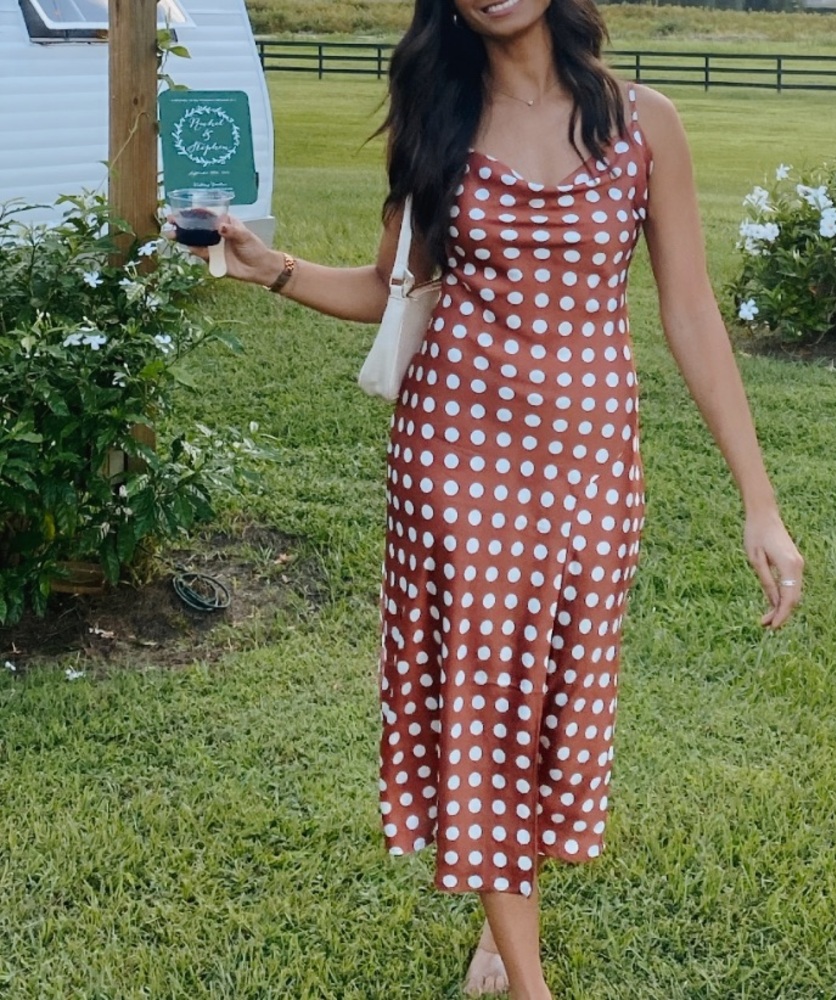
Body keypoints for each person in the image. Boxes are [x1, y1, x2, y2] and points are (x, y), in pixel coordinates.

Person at [172, 0, 804, 996]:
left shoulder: (645, 123)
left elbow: (688, 309)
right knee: (486, 703)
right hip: (458, 459)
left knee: (555, 702)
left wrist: (757, 501)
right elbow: (392, 286)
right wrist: (273, 269)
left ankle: (501, 913)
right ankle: (527, 977)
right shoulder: (439, 117)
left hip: (594, 470)